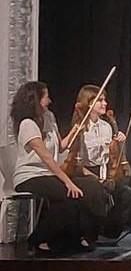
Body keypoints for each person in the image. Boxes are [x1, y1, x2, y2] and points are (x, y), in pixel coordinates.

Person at [10, 81, 107, 253]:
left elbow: (59, 147)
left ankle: (82, 236)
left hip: (47, 174)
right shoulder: (27, 124)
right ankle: (39, 238)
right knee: (69, 194)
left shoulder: (49, 118)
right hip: (30, 176)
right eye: (46, 96)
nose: (50, 100)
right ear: (36, 99)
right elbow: (47, 158)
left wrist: (75, 131)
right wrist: (68, 181)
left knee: (92, 187)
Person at [71, 84, 131, 237]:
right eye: (99, 100)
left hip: (103, 171)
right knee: (97, 191)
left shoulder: (107, 126)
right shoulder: (80, 128)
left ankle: (109, 232)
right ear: (88, 103)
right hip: (85, 173)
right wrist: (98, 179)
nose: (105, 103)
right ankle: (89, 233)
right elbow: (77, 163)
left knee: (129, 195)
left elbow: (115, 156)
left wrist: (121, 144)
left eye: (104, 100)